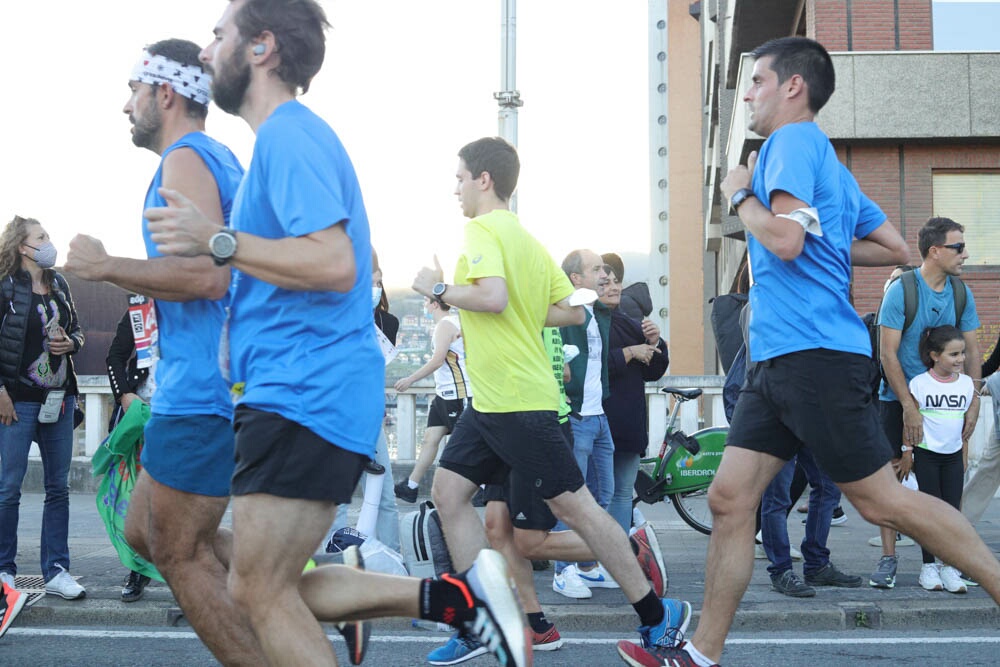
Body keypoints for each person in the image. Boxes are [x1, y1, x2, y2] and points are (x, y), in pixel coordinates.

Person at [144, 3, 530, 666]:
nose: (208, 51)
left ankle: (464, 598)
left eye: (219, 34)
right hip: (297, 389)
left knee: (259, 588)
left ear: (261, 47)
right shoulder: (280, 143)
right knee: (267, 582)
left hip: (304, 391)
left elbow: (333, 261)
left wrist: (216, 241)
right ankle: (458, 600)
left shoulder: (291, 136)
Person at [619, 37, 1000, 667]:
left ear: (793, 87)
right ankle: (702, 653)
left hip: (815, 353)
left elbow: (789, 241)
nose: (748, 94)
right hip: (777, 361)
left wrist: (739, 193)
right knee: (728, 498)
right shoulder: (834, 169)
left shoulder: (788, 145)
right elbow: (896, 248)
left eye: (758, 82)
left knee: (883, 501)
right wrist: (815, 243)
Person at [415, 136, 690, 663]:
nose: (454, 189)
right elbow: (567, 312)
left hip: (520, 404)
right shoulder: (527, 240)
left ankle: (659, 616)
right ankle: (480, 623)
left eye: (458, 178)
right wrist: (516, 311)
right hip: (490, 405)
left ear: (483, 180)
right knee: (448, 495)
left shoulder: (480, 231)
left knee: (579, 511)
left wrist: (441, 289)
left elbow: (491, 297)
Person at [63, 39, 262, 663]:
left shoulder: (185, 159)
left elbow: (208, 276)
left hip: (203, 392)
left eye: (133, 91)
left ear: (165, 92)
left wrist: (105, 267)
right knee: (143, 530)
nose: (127, 106)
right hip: (194, 388)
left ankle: (285, 622)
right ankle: (299, 590)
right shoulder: (211, 157)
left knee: (178, 550)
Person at [869, 218, 980, 590]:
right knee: (893, 479)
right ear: (935, 251)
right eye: (958, 247)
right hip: (898, 400)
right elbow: (888, 353)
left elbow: (974, 349)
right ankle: (889, 558)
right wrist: (908, 405)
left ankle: (948, 560)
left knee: (950, 482)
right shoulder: (902, 290)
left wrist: (975, 399)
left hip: (947, 405)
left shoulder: (961, 293)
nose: (965, 253)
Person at [0, 216, 86, 603]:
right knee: (8, 489)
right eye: (41, 237)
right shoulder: (5, 288)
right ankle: (5, 570)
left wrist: (72, 344)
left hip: (60, 400)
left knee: (58, 488)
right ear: (22, 246)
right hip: (16, 402)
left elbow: (78, 330)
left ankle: (57, 571)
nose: (49, 242)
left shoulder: (60, 284)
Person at [551, 249, 616, 598]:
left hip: (599, 417)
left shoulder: (598, 312)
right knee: (572, 500)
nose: (604, 274)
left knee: (602, 495)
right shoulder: (567, 313)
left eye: (604, 269)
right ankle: (563, 571)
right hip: (576, 417)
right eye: (596, 269)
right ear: (576, 279)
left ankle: (588, 565)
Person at [326, 252, 401, 553]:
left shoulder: (387, 322)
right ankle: (331, 560)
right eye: (368, 281)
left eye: (379, 281)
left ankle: (392, 560)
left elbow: (377, 368)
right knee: (337, 495)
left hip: (370, 415)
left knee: (386, 497)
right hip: (336, 414)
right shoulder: (334, 315)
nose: (375, 287)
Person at [598, 257, 669, 534]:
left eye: (616, 282)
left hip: (628, 423)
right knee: (596, 495)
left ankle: (619, 555)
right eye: (605, 283)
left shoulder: (630, 323)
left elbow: (653, 372)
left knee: (622, 492)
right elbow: (585, 368)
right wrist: (628, 353)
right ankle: (593, 559)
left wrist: (655, 343)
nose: (614, 288)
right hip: (596, 422)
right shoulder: (582, 322)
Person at [906, 325, 974, 593]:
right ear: (935, 355)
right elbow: (909, 422)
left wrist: (964, 456)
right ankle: (928, 567)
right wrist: (907, 451)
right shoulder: (919, 383)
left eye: (962, 353)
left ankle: (950, 567)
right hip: (926, 456)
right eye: (954, 354)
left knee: (952, 514)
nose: (961, 359)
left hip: (953, 458)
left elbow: (965, 427)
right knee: (929, 514)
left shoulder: (967, 384)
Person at [393, 295, 472, 504]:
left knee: (465, 446)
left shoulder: (445, 325)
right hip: (443, 395)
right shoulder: (450, 323)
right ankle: (411, 486)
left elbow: (437, 360)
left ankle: (481, 488)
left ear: (435, 304)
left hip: (458, 395)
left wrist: (410, 379)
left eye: (426, 302)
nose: (424, 306)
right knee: (430, 439)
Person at [759, 449, 861, 598]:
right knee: (777, 496)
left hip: (809, 427)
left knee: (828, 486)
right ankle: (781, 570)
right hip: (777, 429)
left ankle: (817, 565)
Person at [106, 308, 155, 602]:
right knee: (136, 495)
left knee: (180, 497)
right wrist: (124, 394)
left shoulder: (196, 303)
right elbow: (114, 357)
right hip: (142, 414)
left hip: (183, 412)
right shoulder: (140, 310)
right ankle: (139, 568)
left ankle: (184, 568)